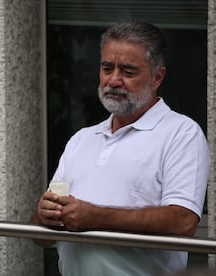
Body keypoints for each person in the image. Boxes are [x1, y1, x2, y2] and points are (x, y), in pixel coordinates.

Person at [32, 20, 210, 276]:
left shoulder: (181, 133)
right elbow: (43, 238)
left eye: (128, 71)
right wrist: (43, 217)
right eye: (107, 68)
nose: (113, 80)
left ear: (157, 76)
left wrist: (95, 217)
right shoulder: (82, 139)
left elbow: (182, 222)